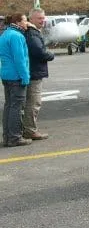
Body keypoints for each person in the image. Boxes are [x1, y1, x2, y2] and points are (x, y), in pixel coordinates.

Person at [23, 8, 54, 141]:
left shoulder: (30, 32)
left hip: (32, 71)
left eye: (43, 18)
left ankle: (27, 129)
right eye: (39, 18)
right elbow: (39, 52)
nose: (43, 20)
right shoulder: (32, 33)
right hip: (34, 73)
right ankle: (30, 130)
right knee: (34, 102)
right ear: (31, 19)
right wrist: (51, 54)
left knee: (29, 102)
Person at [0, 13, 31, 147]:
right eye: (25, 20)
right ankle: (15, 137)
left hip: (6, 75)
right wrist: (25, 77)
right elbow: (20, 59)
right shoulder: (17, 36)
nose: (27, 23)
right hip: (16, 76)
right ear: (18, 22)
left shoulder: (5, 34)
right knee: (16, 108)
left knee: (8, 106)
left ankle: (7, 136)